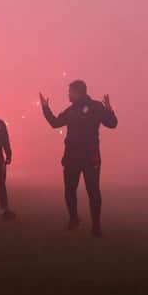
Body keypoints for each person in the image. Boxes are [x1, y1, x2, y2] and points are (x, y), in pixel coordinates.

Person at [39, 80, 118, 237]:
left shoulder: (94, 107)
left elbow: (112, 123)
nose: (68, 94)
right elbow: (55, 123)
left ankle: (94, 225)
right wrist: (46, 108)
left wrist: (109, 110)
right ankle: (76, 220)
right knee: (72, 190)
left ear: (78, 92)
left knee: (91, 191)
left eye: (70, 92)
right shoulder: (73, 110)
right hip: (74, 157)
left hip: (89, 157)